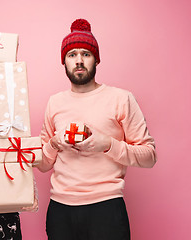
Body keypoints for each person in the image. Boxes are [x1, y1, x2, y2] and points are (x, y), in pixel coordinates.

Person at [37, 19, 157, 240]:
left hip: (106, 207)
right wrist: (54, 143)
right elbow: (43, 165)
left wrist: (108, 145)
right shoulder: (54, 102)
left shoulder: (121, 98)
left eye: (86, 54)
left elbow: (149, 156)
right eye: (72, 55)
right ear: (63, 61)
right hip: (60, 210)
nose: (79, 61)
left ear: (96, 60)